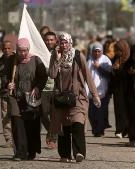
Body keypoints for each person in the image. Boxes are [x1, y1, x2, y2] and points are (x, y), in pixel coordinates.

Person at [49, 32, 101, 163]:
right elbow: (52, 74)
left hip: (77, 97)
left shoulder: (78, 56)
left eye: (66, 42)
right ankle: (65, 154)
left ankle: (79, 152)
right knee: (64, 127)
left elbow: (88, 76)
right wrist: (57, 58)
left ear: (70, 43)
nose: (64, 45)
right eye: (61, 42)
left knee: (77, 122)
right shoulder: (55, 56)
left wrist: (95, 95)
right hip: (61, 98)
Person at [8, 38, 47, 161]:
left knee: (32, 126)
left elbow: (43, 77)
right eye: (20, 51)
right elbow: (6, 78)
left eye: (25, 51)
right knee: (17, 123)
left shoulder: (35, 60)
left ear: (28, 49)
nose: (22, 54)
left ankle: (31, 151)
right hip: (17, 98)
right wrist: (9, 85)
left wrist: (37, 88)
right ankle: (20, 152)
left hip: (32, 98)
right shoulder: (13, 62)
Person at [0, 41, 16, 148]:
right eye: (5, 48)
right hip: (5, 94)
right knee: (5, 117)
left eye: (9, 48)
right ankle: (9, 139)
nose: (7, 50)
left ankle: (18, 138)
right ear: (2, 49)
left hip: (17, 95)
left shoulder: (17, 60)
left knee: (17, 117)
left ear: (12, 48)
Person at [86, 42, 112, 137]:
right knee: (92, 113)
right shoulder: (89, 61)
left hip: (104, 91)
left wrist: (99, 67)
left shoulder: (106, 60)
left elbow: (109, 74)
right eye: (95, 51)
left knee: (100, 112)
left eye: (98, 51)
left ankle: (100, 130)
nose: (97, 53)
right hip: (92, 92)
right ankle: (95, 129)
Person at [111, 39, 130, 138]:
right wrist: (113, 70)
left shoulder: (128, 60)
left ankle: (126, 129)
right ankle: (119, 129)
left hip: (127, 88)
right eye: (116, 50)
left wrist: (119, 69)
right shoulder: (116, 58)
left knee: (126, 109)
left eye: (119, 50)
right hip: (117, 88)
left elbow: (127, 74)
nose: (117, 52)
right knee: (118, 109)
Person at [42, 31, 58, 149]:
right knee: (43, 114)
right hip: (43, 89)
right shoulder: (40, 52)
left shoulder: (60, 52)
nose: (49, 42)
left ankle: (53, 138)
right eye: (47, 40)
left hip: (56, 89)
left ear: (55, 40)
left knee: (55, 115)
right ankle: (51, 131)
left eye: (51, 40)